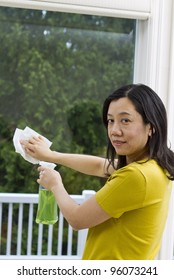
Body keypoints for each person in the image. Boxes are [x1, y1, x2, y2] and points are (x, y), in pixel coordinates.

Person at [21, 84, 174, 260]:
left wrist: (55, 184)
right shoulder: (154, 167)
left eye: (125, 120)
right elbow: (99, 166)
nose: (115, 131)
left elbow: (77, 219)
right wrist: (52, 155)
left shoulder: (137, 176)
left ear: (151, 126)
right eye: (111, 120)